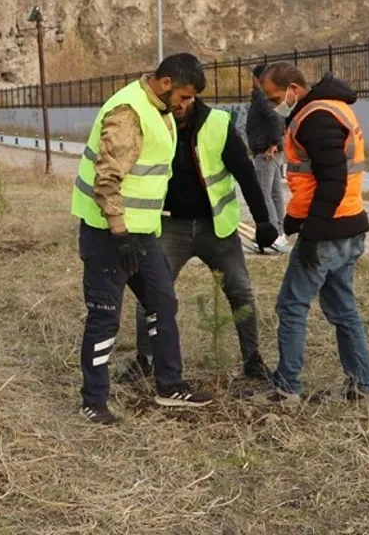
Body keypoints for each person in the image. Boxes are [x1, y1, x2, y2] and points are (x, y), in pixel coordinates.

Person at [70, 53, 215, 425]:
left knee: (163, 304)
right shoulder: (128, 113)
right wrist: (120, 234)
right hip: (110, 234)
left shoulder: (160, 110)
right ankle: (94, 402)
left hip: (143, 233)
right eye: (184, 96)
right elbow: (107, 179)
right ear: (165, 84)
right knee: (105, 317)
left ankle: (170, 385)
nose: (188, 104)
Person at [115, 95, 281, 385]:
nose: (176, 105)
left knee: (240, 291)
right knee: (150, 295)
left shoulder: (218, 124)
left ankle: (252, 360)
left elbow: (245, 173)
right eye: (171, 98)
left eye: (183, 98)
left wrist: (263, 220)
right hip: (169, 226)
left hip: (216, 227)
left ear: (192, 94)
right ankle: (145, 360)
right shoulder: (153, 124)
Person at [253, 63, 369, 407]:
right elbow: (311, 180)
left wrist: (312, 234)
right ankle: (364, 388)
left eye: (275, 96)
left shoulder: (316, 117)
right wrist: (291, 222)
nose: (272, 103)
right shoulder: (331, 108)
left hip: (329, 230)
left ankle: (286, 388)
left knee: (291, 306)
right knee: (342, 308)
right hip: (348, 224)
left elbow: (333, 180)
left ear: (294, 88)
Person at [247, 63, 289, 250]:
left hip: (267, 152)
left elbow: (274, 120)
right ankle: (280, 233)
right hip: (273, 150)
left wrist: (272, 144)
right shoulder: (271, 97)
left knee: (265, 194)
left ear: (257, 79)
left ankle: (272, 235)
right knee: (274, 193)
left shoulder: (263, 98)